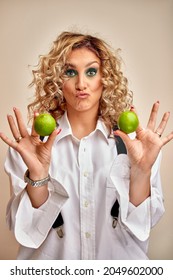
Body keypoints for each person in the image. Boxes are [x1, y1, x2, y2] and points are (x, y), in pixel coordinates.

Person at [0, 31, 173, 260]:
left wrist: (141, 172)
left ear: (105, 79)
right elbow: (26, 230)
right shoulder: (29, 147)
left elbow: (144, 224)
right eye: (70, 72)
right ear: (57, 82)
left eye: (91, 71)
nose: (81, 84)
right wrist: (38, 175)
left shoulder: (136, 145)